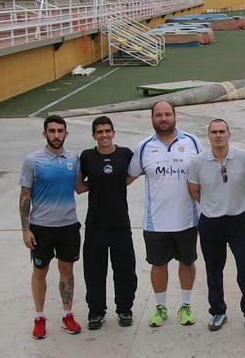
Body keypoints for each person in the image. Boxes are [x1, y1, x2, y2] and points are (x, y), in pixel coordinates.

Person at [128, 101, 203, 327]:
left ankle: (186, 305)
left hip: (187, 219)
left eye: (167, 114)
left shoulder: (192, 142)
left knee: (187, 262)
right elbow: (128, 177)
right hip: (156, 222)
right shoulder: (143, 147)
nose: (163, 119)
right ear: (152, 118)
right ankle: (160, 307)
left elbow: (205, 173)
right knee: (158, 265)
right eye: (158, 115)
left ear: (175, 116)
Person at [187, 119, 245, 335]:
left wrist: (239, 202)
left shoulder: (244, 158)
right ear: (208, 135)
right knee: (214, 270)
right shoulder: (198, 162)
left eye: (222, 131)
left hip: (238, 221)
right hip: (210, 223)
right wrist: (212, 206)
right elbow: (194, 190)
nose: (218, 135)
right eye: (214, 132)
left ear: (230, 134)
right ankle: (218, 311)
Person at [19, 115, 82, 339]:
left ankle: (67, 314)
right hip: (41, 227)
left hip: (68, 226)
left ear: (66, 133)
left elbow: (79, 187)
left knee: (67, 271)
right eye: (52, 131)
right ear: (45, 134)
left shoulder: (73, 159)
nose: (56, 135)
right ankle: (39, 317)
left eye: (60, 131)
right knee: (40, 272)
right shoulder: (32, 160)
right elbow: (25, 196)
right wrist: (26, 229)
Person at [76, 116, 137, 330]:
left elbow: (131, 175)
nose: (104, 135)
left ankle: (124, 309)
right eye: (99, 132)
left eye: (107, 131)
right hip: (95, 225)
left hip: (120, 223)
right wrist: (99, 183)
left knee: (125, 269)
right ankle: (96, 312)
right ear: (94, 135)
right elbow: (79, 186)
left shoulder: (125, 154)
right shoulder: (87, 157)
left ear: (113, 132)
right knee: (94, 271)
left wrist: (114, 182)